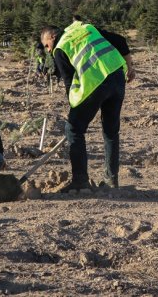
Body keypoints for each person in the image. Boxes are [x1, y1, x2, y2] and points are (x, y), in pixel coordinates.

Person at [40, 19, 135, 192]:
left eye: (47, 45)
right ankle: (111, 180)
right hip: (117, 77)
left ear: (53, 36)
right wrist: (130, 67)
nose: (48, 50)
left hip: (96, 84)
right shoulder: (87, 28)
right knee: (111, 131)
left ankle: (80, 181)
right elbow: (120, 40)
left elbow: (69, 85)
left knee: (74, 129)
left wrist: (73, 114)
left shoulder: (60, 48)